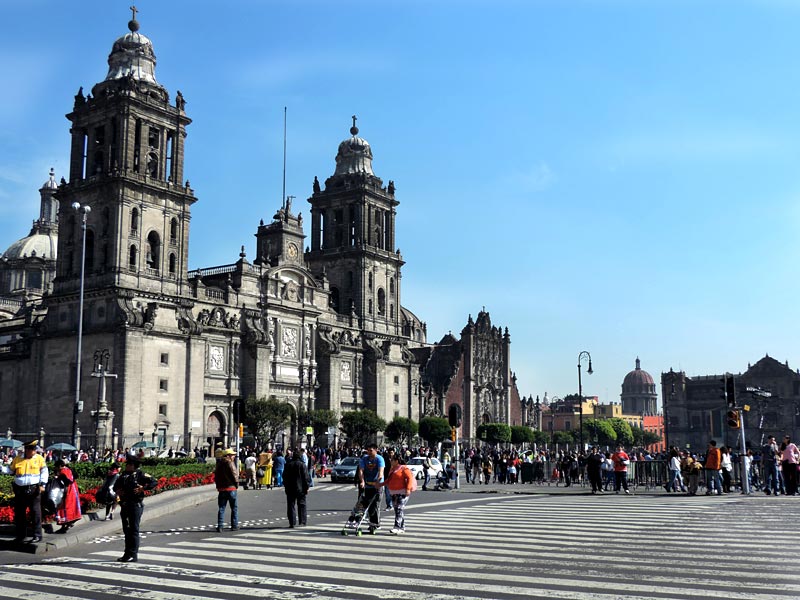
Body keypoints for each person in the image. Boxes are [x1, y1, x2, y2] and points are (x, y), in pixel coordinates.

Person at [113, 454, 156, 562]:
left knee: (133, 530)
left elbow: (154, 482)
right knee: (127, 530)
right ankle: (127, 553)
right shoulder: (124, 475)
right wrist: (117, 491)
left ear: (133, 465)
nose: (126, 466)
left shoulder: (140, 474)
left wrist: (143, 488)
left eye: (128, 464)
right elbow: (115, 486)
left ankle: (133, 554)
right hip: (125, 505)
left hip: (135, 505)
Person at [10, 439, 49, 543]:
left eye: (33, 449)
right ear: (26, 449)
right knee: (19, 514)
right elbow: (10, 470)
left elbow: (44, 472)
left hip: (33, 489)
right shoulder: (18, 459)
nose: (33, 451)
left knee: (35, 513)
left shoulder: (39, 459)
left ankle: (37, 535)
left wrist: (43, 484)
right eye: (31, 449)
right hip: (20, 490)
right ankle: (21, 536)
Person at [380, 454, 415, 534]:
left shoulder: (404, 468)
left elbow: (409, 478)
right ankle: (402, 527)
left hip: (402, 492)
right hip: (394, 493)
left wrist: (408, 489)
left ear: (396, 461)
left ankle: (396, 527)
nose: (390, 461)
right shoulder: (392, 469)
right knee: (398, 510)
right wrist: (380, 484)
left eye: (392, 460)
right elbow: (389, 480)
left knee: (399, 509)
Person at [358, 443, 385, 531]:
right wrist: (362, 481)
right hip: (368, 485)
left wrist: (378, 482)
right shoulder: (364, 459)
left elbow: (381, 472)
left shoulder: (379, 459)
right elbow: (361, 471)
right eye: (368, 450)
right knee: (367, 505)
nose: (369, 452)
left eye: (371, 450)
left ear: (376, 450)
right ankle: (371, 523)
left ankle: (376, 524)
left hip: (377, 485)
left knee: (375, 505)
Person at [53, 459, 82, 533]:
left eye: (56, 467)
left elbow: (67, 481)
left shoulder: (63, 472)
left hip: (68, 492)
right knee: (71, 507)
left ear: (59, 466)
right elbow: (75, 477)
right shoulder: (68, 469)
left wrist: (58, 478)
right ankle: (68, 524)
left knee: (64, 508)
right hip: (73, 490)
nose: (55, 468)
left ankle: (64, 526)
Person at [214, 448, 239, 532]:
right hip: (231, 488)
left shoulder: (219, 464)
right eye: (233, 455)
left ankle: (220, 526)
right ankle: (234, 525)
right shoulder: (230, 463)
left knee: (221, 508)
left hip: (222, 489)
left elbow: (216, 476)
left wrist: (218, 486)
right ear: (228, 456)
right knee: (234, 508)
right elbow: (234, 474)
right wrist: (237, 484)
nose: (234, 456)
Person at [283, 449, 310, 527]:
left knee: (291, 505)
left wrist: (286, 485)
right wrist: (307, 487)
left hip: (290, 488)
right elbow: (306, 477)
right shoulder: (302, 465)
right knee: (302, 504)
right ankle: (302, 521)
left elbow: (284, 476)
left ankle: (292, 522)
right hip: (301, 488)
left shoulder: (288, 464)